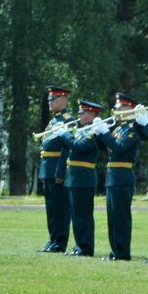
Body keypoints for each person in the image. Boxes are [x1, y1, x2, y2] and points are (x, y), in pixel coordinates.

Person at [101, 93, 148, 261]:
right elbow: (107, 148)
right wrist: (99, 133)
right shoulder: (119, 129)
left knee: (121, 217)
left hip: (122, 176)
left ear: (128, 109)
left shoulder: (132, 131)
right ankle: (115, 251)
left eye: (119, 107)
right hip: (112, 175)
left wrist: (105, 134)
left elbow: (118, 149)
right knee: (112, 216)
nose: (116, 110)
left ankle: (122, 252)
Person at [62, 99, 111, 257]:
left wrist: (64, 135)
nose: (79, 115)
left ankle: (85, 248)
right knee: (76, 215)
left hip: (83, 178)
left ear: (91, 114)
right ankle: (79, 246)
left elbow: (79, 147)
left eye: (82, 112)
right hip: (74, 177)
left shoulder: (93, 133)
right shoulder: (83, 130)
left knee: (83, 215)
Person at [37, 86, 73, 252]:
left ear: (63, 99)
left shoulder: (67, 120)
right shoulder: (53, 121)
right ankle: (53, 240)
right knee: (51, 210)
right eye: (49, 99)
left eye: (53, 99)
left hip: (57, 171)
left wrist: (60, 173)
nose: (49, 102)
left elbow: (67, 149)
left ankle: (60, 242)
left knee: (60, 210)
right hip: (48, 170)